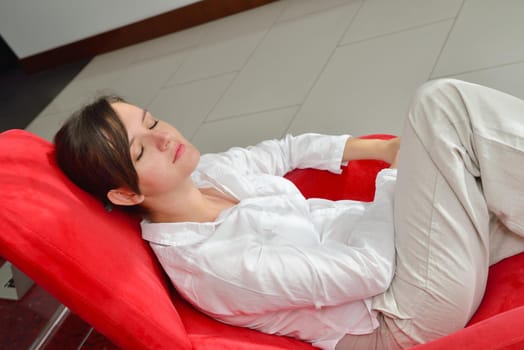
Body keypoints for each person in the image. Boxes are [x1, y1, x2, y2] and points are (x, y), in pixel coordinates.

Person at [53, 79, 524, 350]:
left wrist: (378, 148)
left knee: (484, 163)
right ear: (126, 194)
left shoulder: (210, 173)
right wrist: (392, 180)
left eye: (153, 121)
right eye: (141, 150)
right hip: (398, 316)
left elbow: (283, 149)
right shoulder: (210, 264)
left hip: (394, 250)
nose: (165, 138)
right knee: (440, 105)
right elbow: (369, 270)